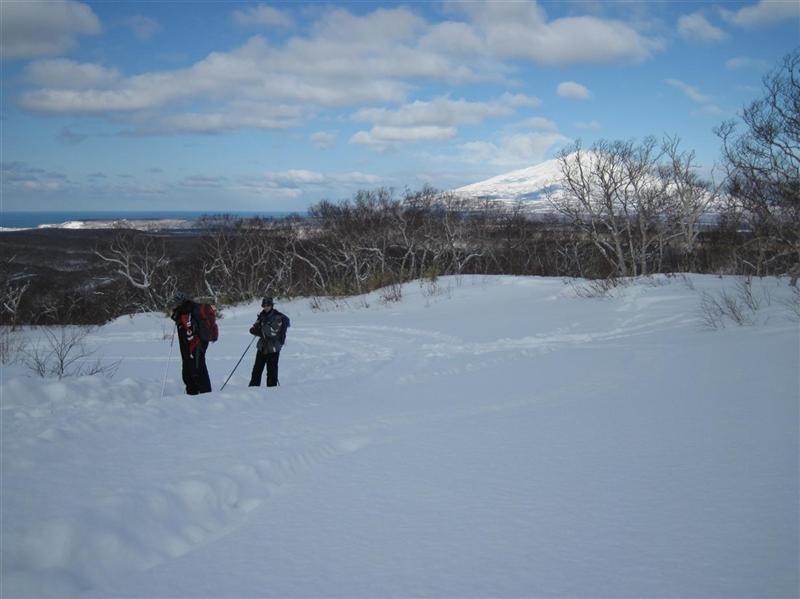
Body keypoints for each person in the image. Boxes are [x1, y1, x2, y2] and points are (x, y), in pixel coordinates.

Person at [170, 291, 212, 395]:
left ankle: (206, 395)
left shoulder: (191, 311)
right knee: (187, 372)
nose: (174, 305)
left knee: (198, 370)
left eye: (176, 303)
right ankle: (192, 394)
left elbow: (196, 329)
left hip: (196, 345)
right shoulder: (182, 312)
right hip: (186, 347)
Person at [249, 296, 289, 388]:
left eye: (268, 305)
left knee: (271, 371)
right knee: (256, 370)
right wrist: (256, 329)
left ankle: (272, 391)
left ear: (271, 306)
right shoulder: (261, 315)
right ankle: (252, 389)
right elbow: (255, 327)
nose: (266, 307)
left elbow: (272, 332)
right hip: (262, 347)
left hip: (273, 348)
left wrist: (259, 330)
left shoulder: (277, 317)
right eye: (264, 305)